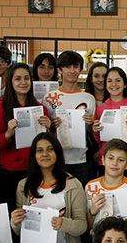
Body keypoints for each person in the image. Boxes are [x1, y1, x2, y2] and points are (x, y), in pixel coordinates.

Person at [10, 133, 87, 243]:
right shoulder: (23, 185)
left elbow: (82, 226)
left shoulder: (73, 184)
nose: (45, 154)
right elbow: (20, 231)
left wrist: (63, 223)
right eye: (40, 150)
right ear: (34, 156)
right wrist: (14, 222)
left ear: (58, 153)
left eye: (50, 149)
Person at [0, 63, 52, 179]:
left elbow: (50, 143)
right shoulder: (0, 108)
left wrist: (48, 129)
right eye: (18, 79)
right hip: (10, 169)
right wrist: (8, 134)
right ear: (10, 82)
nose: (23, 82)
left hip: (36, 166)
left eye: (27, 78)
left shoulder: (40, 108)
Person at [41, 51, 96, 187]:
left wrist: (91, 123)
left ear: (80, 69)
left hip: (82, 159)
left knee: (80, 195)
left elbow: (92, 132)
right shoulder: (49, 97)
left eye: (76, 66)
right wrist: (51, 125)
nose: (72, 71)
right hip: (55, 158)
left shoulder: (88, 98)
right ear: (60, 70)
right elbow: (43, 131)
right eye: (67, 66)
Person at [92, 66, 127, 180]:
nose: (113, 84)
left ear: (125, 84)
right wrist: (96, 131)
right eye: (109, 81)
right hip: (107, 163)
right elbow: (99, 141)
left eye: (118, 80)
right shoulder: (101, 108)